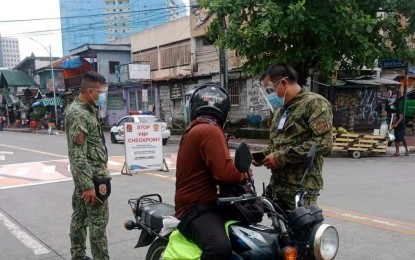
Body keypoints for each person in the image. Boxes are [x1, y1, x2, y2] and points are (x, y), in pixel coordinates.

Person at [175, 83, 251, 260]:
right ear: (223, 112)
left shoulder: (196, 128)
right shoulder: (210, 130)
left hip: (205, 204)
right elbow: (225, 173)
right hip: (194, 208)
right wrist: (245, 174)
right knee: (219, 248)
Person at [255, 63, 333, 212]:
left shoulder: (315, 103)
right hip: (278, 186)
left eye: (270, 90)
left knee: (303, 233)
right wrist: (264, 155)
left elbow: (323, 143)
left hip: (301, 187)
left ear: (283, 83)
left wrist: (281, 157)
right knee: (281, 233)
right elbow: (278, 145)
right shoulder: (280, 111)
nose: (269, 95)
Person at [65, 71, 111, 260]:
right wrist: (88, 186)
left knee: (79, 219)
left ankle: (78, 257)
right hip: (92, 180)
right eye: (101, 91)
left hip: (89, 179)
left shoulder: (87, 110)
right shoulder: (78, 114)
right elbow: (77, 154)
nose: (103, 95)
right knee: (98, 226)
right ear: (90, 91)